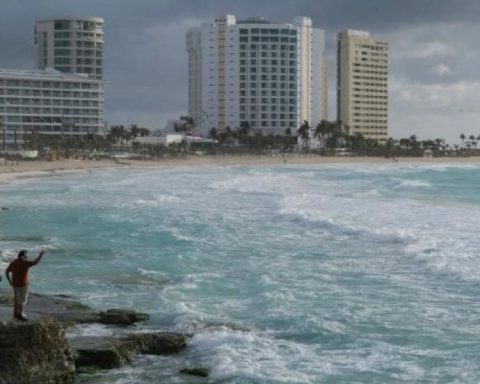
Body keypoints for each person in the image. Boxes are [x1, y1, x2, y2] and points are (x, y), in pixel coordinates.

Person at [5, 249, 45, 321]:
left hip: (15, 285)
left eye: (26, 256)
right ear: (20, 256)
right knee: (22, 300)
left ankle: (15, 315)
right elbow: (35, 262)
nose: (26, 257)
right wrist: (40, 255)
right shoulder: (25, 264)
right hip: (22, 285)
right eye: (24, 256)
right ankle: (20, 315)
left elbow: (7, 271)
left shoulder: (14, 263)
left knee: (17, 300)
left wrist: (10, 282)